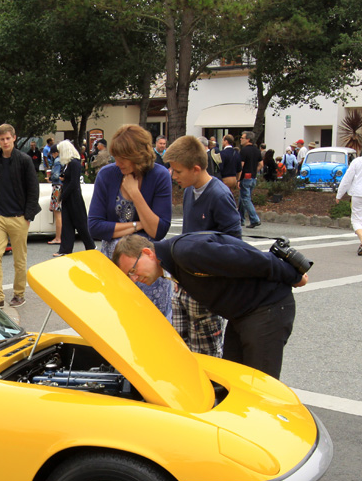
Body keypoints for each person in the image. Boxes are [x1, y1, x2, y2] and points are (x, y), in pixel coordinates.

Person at [113, 232, 308, 379]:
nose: (135, 279)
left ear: (147, 253)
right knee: (234, 380)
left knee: (261, 386)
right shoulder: (173, 263)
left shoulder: (186, 252)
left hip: (268, 307)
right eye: (130, 277)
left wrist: (294, 275)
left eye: (133, 270)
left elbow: (249, 259)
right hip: (243, 314)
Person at [164, 135, 242, 357]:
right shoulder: (189, 190)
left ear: (196, 169)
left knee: (206, 352)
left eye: (178, 171)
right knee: (180, 348)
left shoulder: (219, 195)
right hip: (184, 283)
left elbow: (234, 244)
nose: (173, 175)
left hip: (206, 289)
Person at [88, 124, 173, 318]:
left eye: (122, 157)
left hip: (147, 266)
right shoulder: (107, 175)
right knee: (118, 319)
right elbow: (94, 227)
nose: (117, 162)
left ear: (138, 155)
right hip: (115, 262)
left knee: (153, 322)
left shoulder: (159, 176)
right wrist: (138, 225)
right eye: (115, 156)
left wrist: (135, 194)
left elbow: (158, 231)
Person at [0, 123, 40, 308]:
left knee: (19, 258)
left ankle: (19, 293)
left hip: (19, 216)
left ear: (14, 138)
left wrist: (28, 216)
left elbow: (33, 189)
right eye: (2, 139)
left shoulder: (24, 160)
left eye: (8, 138)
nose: (5, 142)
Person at [53, 140, 95, 257]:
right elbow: (69, 179)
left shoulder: (75, 163)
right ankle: (65, 249)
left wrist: (63, 195)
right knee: (67, 224)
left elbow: (74, 182)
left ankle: (91, 246)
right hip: (68, 196)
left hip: (73, 197)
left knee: (80, 223)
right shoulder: (68, 164)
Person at [238, 131, 262, 228]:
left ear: (248, 139)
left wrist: (238, 179)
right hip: (253, 177)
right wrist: (254, 171)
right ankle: (240, 219)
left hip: (245, 177)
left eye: (242, 138)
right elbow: (261, 164)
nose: (240, 139)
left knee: (245, 199)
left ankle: (254, 219)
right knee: (243, 198)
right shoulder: (257, 150)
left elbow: (241, 166)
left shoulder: (244, 151)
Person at [47, 145, 63, 245]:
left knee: (57, 213)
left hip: (57, 187)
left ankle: (58, 237)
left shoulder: (57, 161)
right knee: (61, 213)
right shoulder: (64, 160)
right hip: (62, 187)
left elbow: (56, 175)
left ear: (55, 153)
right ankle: (60, 236)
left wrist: (50, 178)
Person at [219, 134, 241, 201]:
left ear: (226, 141)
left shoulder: (222, 153)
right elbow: (239, 169)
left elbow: (220, 167)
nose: (222, 142)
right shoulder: (236, 153)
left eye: (223, 140)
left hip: (225, 178)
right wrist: (238, 180)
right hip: (234, 178)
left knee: (223, 197)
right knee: (230, 196)